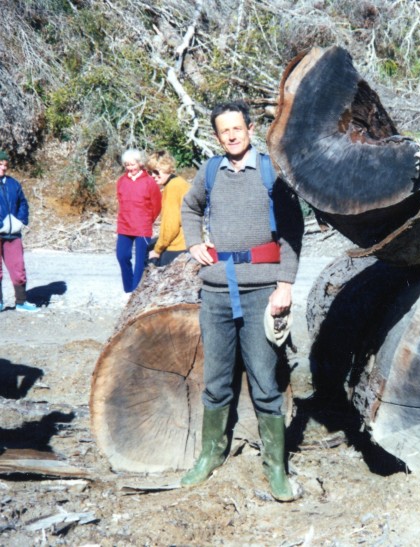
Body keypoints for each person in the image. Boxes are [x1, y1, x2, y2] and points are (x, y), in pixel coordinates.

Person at [180, 101, 304, 500]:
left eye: (238, 128)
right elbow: (189, 206)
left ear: (250, 128)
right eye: (224, 131)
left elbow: (292, 232)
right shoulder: (210, 171)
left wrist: (284, 284)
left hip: (260, 293)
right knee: (216, 381)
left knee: (265, 383)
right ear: (217, 136)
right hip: (215, 291)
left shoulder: (270, 172)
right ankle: (209, 455)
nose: (232, 136)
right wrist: (195, 241)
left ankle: (275, 468)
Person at [115, 148, 161, 293]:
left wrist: (147, 220)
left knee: (140, 261)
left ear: (140, 163)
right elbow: (121, 201)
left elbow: (157, 205)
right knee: (122, 256)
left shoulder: (149, 182)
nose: (130, 168)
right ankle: (129, 289)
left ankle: (137, 290)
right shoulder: (122, 181)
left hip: (142, 227)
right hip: (124, 225)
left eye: (133, 165)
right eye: (127, 165)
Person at [0, 150, 38, 312]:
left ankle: (21, 302)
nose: (3, 168)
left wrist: (20, 221)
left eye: (5, 165)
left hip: (12, 233)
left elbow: (23, 203)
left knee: (18, 267)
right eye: (0, 165)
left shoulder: (13, 184)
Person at [146, 150, 191, 267]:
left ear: (167, 168)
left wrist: (157, 250)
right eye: (150, 172)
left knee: (146, 259)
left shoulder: (172, 188)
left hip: (178, 246)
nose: (153, 176)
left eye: (156, 172)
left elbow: (171, 226)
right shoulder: (180, 182)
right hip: (189, 242)